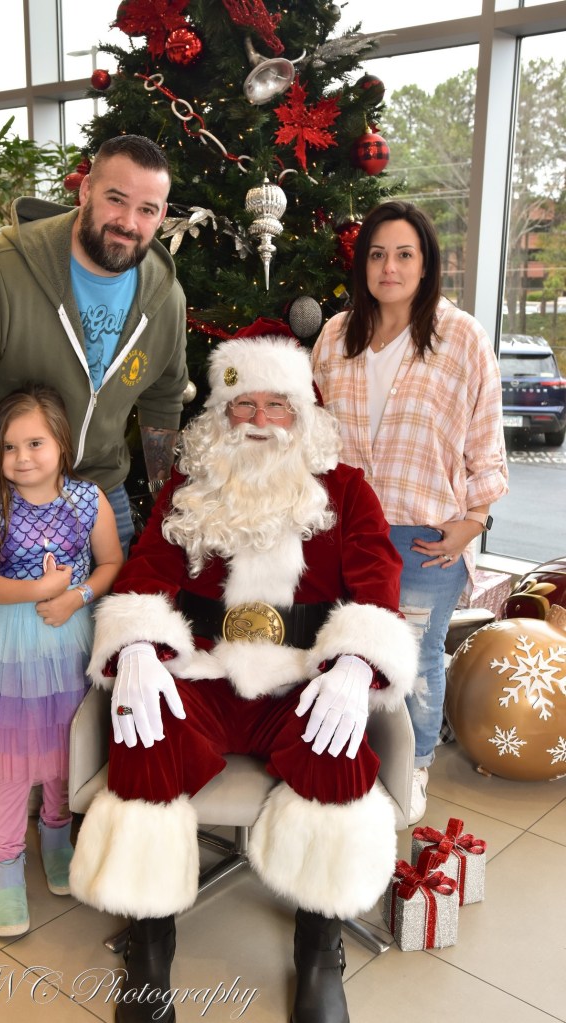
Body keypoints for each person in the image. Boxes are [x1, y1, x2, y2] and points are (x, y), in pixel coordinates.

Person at [69, 326, 418, 1023]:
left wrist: (356, 661)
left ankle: (319, 950)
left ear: (303, 412)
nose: (260, 420)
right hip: (203, 669)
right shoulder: (191, 485)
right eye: (244, 404)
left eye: (277, 404)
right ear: (221, 414)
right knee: (142, 733)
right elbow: (146, 570)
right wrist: (135, 647)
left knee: (338, 749)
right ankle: (149, 944)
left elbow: (379, 584)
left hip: (300, 678)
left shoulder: (347, 491)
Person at [0, 133, 188, 888]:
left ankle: (70, 808)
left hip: (97, 495)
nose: (129, 221)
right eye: (116, 198)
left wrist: (161, 506)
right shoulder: (3, 272)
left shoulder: (162, 293)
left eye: (149, 209)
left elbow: (164, 401)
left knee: (100, 661)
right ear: (84, 190)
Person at [312, 200, 508, 825]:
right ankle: (347, 760)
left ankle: (413, 765)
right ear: (362, 264)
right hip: (342, 533)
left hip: (423, 537)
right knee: (343, 651)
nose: (389, 268)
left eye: (403, 254)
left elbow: (485, 439)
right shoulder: (334, 335)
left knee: (416, 660)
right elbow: (311, 432)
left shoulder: (462, 338)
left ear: (425, 264)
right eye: (377, 255)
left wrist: (474, 521)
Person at [0, 384, 123, 936]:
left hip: (71, 638)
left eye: (34, 444)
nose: (21, 458)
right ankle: (6, 866)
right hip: (11, 649)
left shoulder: (87, 500)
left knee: (66, 749)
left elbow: (110, 562)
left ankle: (55, 838)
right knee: (14, 764)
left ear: (62, 443)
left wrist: (75, 596)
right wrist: (41, 589)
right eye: (9, 447)